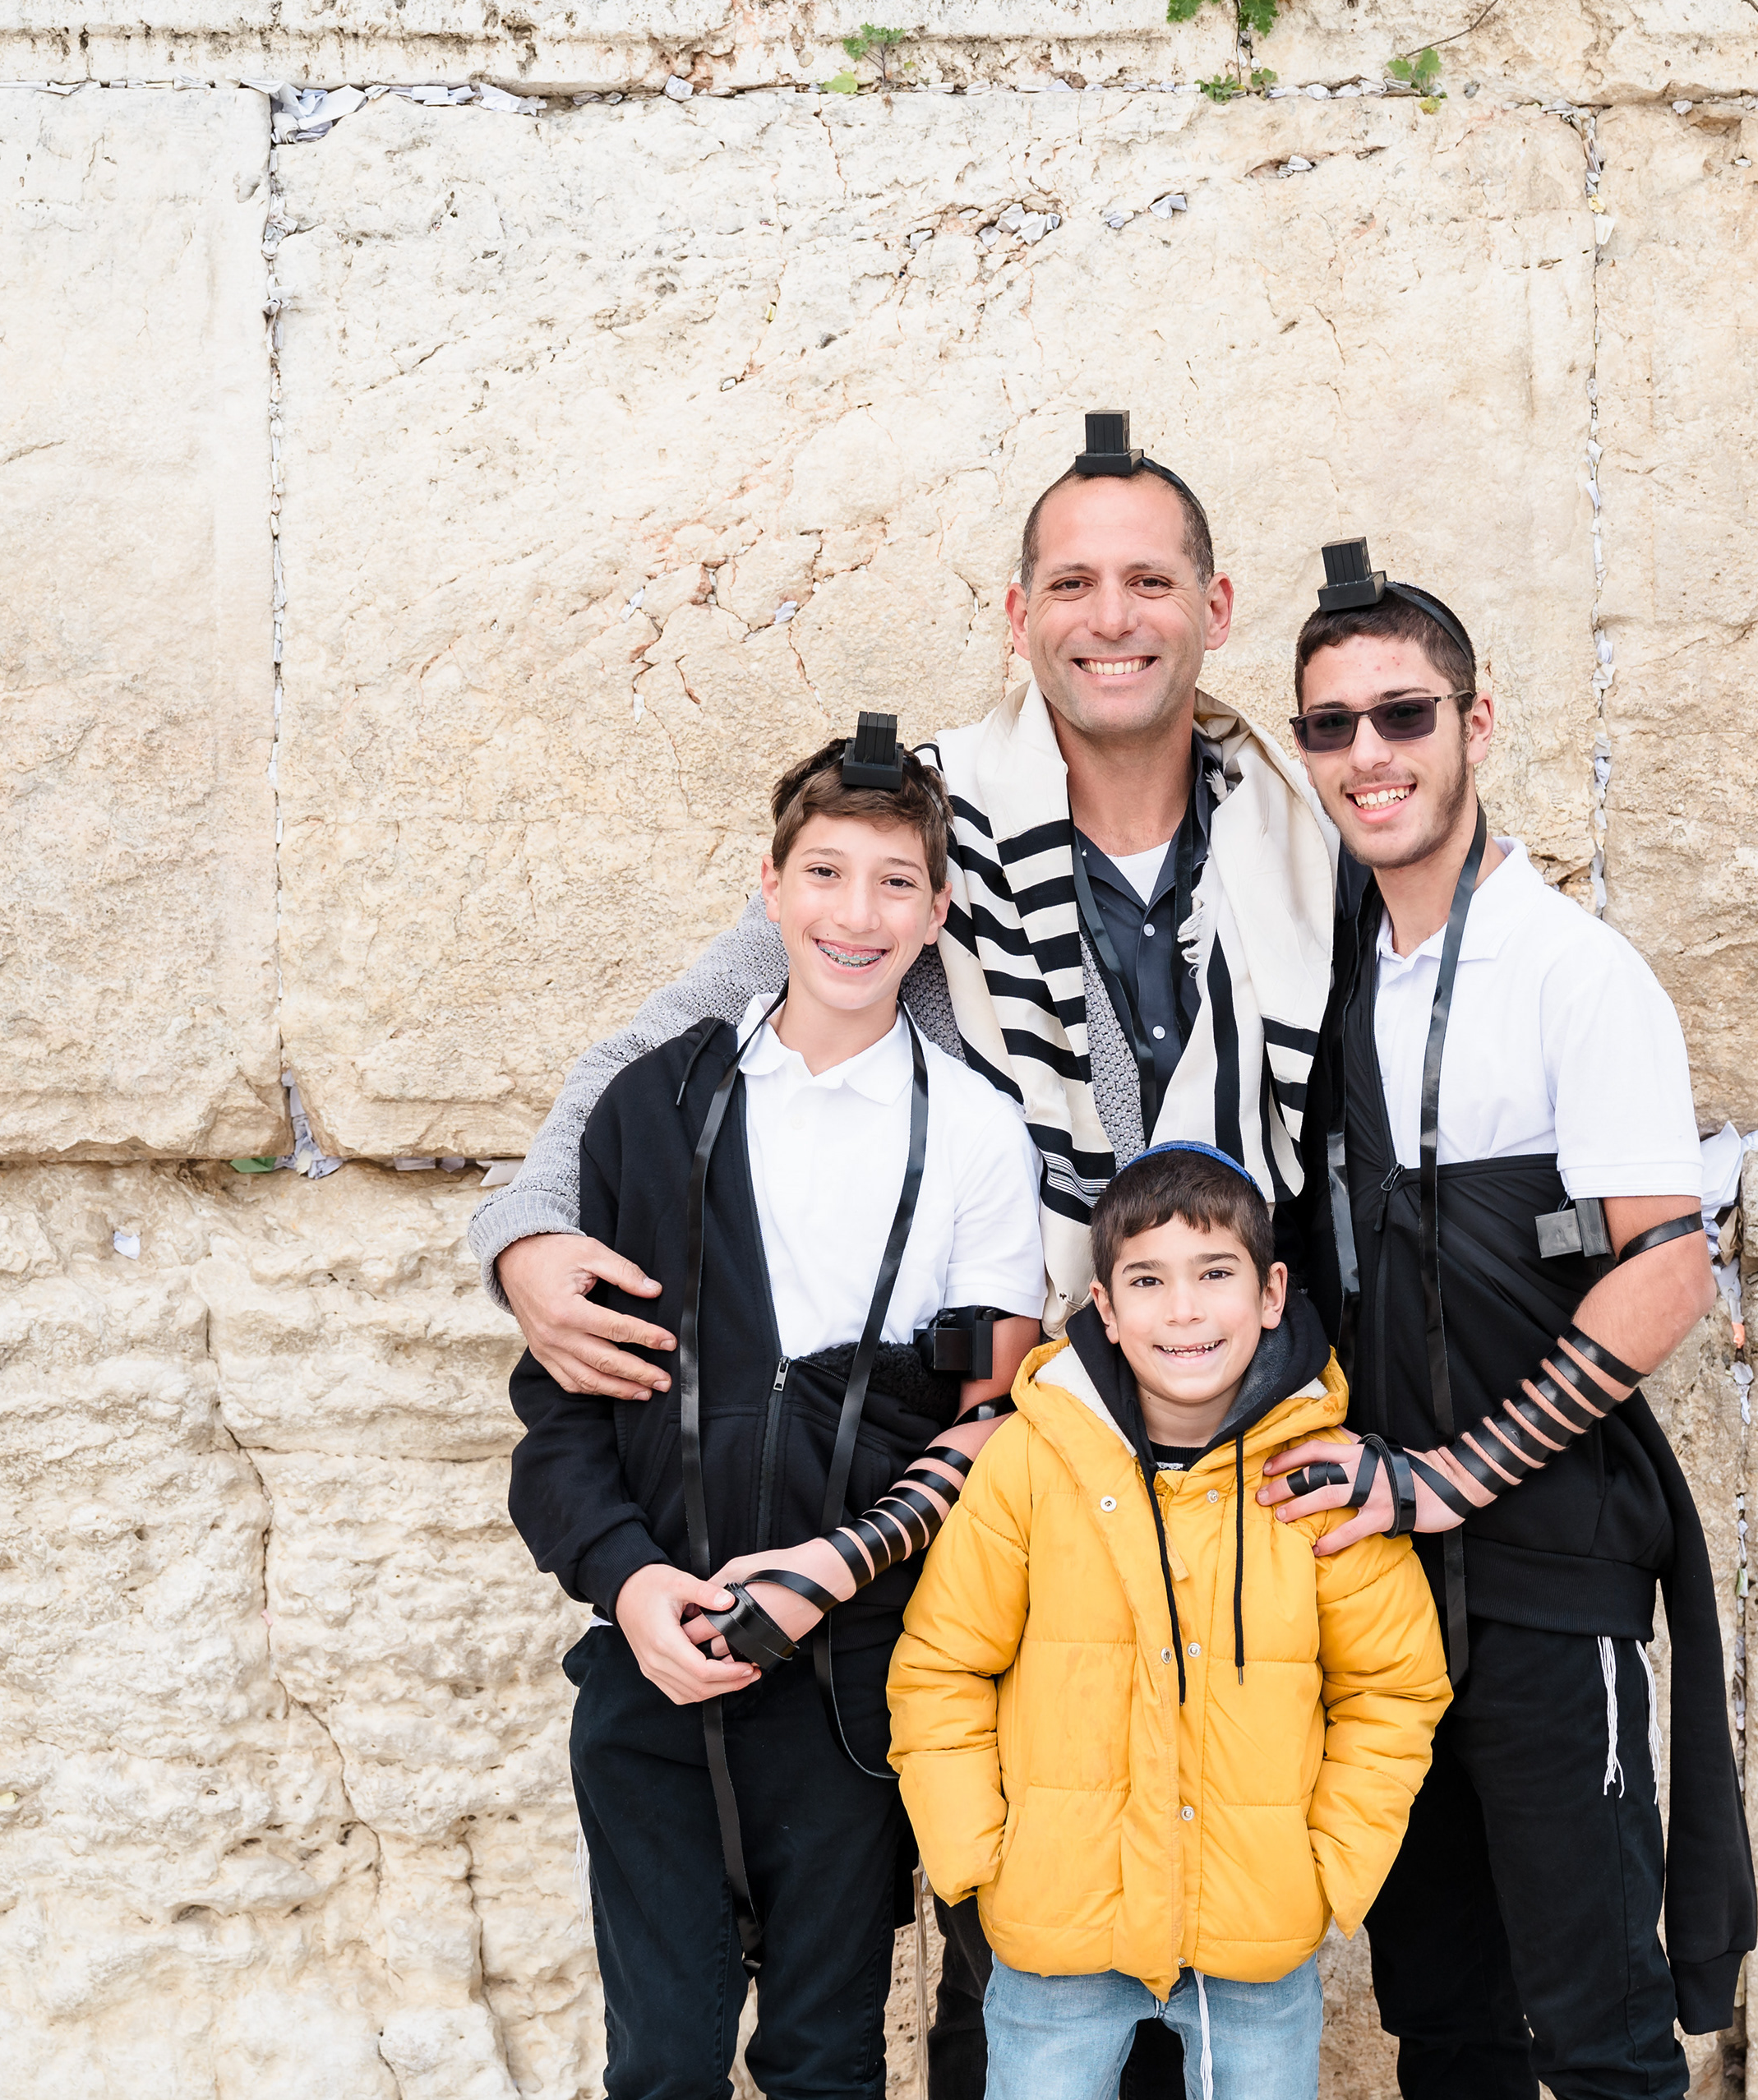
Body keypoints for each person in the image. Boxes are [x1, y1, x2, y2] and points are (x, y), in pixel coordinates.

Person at [477, 413, 1336, 2097]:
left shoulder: (1307, 830)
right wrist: (519, 1234)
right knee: (1012, 1928)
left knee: (1217, 1889)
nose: (1111, 617)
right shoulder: (922, 822)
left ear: (1213, 606)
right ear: (1017, 613)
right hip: (1012, 1458)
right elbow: (655, 1057)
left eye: (1148, 581)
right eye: (1071, 582)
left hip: (1220, 1429)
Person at [1256, 544, 1756, 2100]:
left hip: (1547, 1574)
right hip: (1385, 1596)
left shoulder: (1575, 972)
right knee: (1446, 2028)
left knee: (1600, 2035)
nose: (1369, 753)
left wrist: (1453, 1474)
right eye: (1329, 726)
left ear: (1476, 723)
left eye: (1403, 713)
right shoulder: (1326, 974)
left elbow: (1665, 1269)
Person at [505, 722, 1047, 2099]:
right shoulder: (654, 1106)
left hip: (850, 1684)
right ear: (770, 886)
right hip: (648, 1669)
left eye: (894, 882)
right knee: (663, 2063)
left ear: (938, 913)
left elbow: (994, 1421)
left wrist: (830, 1570)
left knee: (824, 2059)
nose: (855, 913)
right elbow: (561, 1416)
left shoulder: (976, 1129)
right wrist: (630, 1585)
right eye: (824, 873)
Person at [888, 1142, 1451, 2100]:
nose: (1184, 1309)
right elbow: (942, 1665)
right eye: (1148, 1279)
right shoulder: (1031, 1462)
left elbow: (1393, 1688)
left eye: (1215, 1272)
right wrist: (977, 1856)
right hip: (1056, 1928)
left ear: (1271, 1292)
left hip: (1256, 1938)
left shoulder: (1322, 1477)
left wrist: (1328, 1869)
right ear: (1104, 1308)